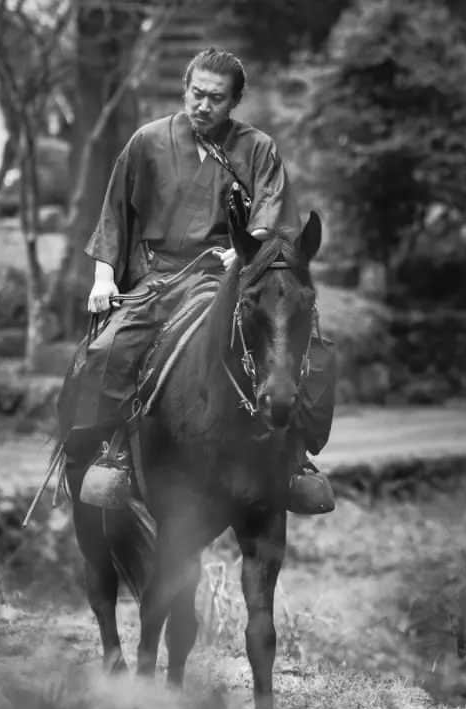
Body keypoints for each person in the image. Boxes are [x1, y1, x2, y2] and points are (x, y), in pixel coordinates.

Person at [58, 47, 337, 515]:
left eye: (215, 98)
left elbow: (270, 212)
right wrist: (103, 276)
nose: (202, 105)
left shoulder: (258, 148)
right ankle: (114, 452)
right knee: (108, 351)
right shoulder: (147, 142)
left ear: (234, 102)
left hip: (236, 276)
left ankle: (295, 461)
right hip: (161, 278)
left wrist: (250, 247)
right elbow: (114, 215)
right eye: (196, 94)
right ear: (185, 90)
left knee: (307, 351)